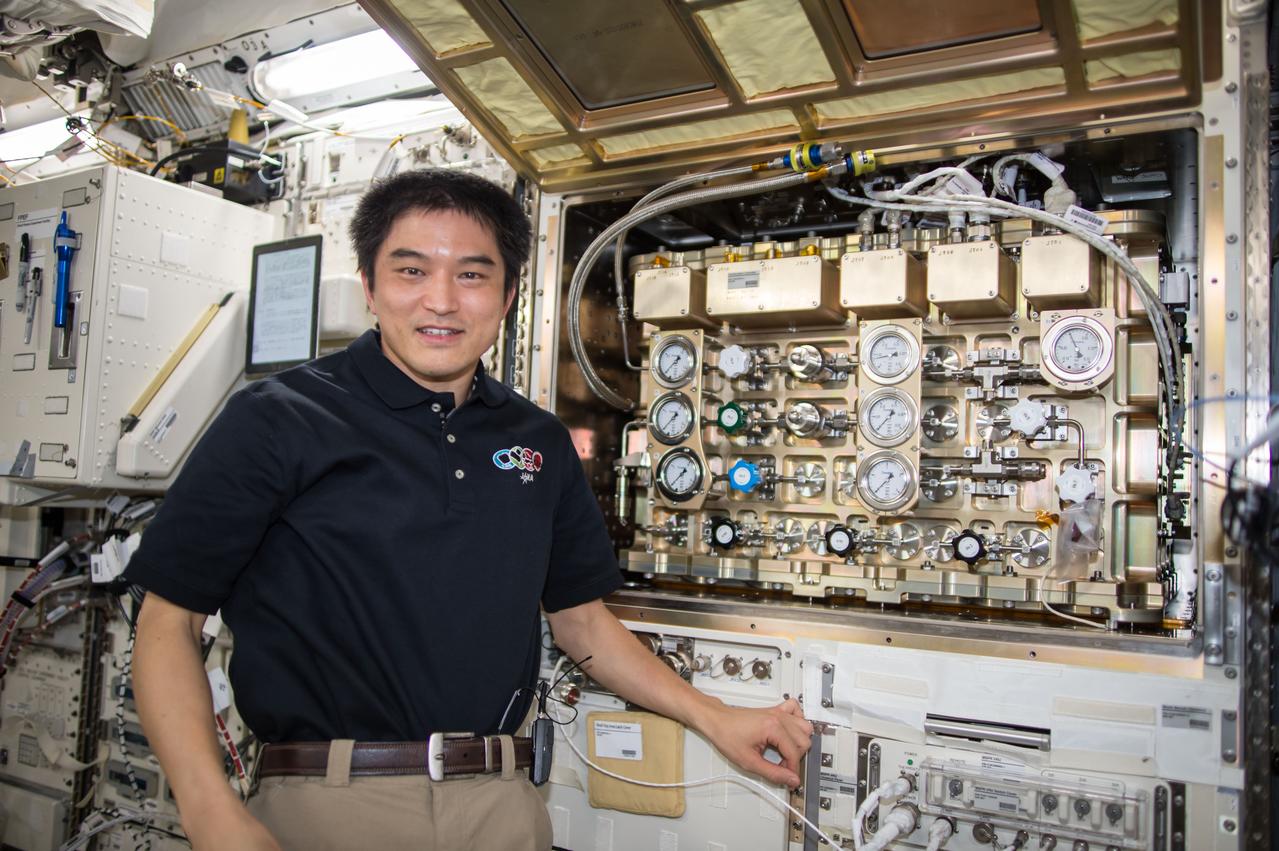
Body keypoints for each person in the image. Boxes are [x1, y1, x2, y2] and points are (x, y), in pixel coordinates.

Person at [124, 169, 814, 851]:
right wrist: (209, 808)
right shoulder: (278, 418)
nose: (442, 301)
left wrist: (715, 715)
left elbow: (581, 624)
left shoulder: (537, 441)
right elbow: (168, 623)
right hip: (330, 804)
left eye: (473, 275)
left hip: (503, 806)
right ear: (369, 286)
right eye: (411, 271)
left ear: (509, 295)